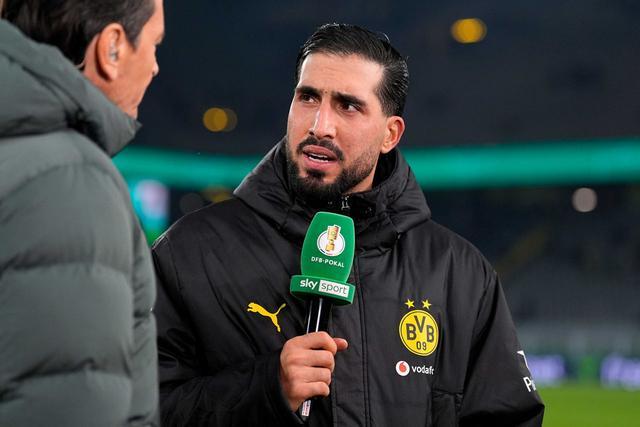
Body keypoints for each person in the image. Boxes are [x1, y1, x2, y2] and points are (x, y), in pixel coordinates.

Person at [152, 23, 545, 426]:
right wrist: (265, 389)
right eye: (308, 97)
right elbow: (138, 411)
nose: (320, 125)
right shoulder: (190, 253)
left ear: (390, 134)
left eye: (348, 106)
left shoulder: (459, 273)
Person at [0, 1, 164, 425]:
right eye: (154, 44)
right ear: (112, 48)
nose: (155, 67)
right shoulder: (70, 179)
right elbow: (67, 402)